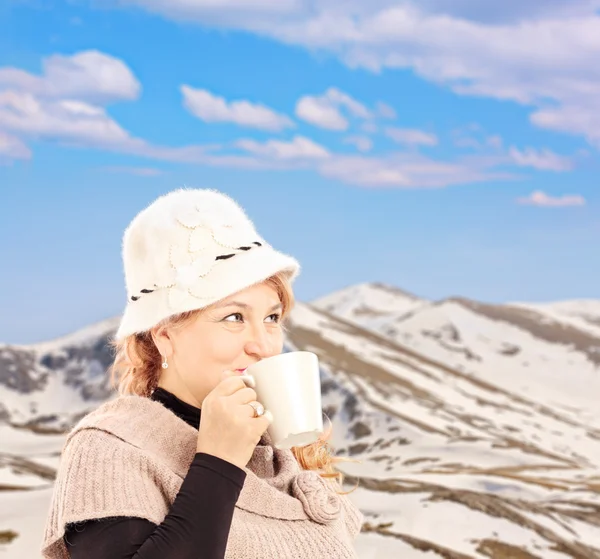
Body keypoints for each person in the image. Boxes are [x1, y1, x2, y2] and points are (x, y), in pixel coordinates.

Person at [41, 188, 363, 559]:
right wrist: (219, 462)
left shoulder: (282, 455)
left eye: (272, 318)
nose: (262, 344)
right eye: (233, 317)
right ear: (164, 337)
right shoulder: (111, 448)